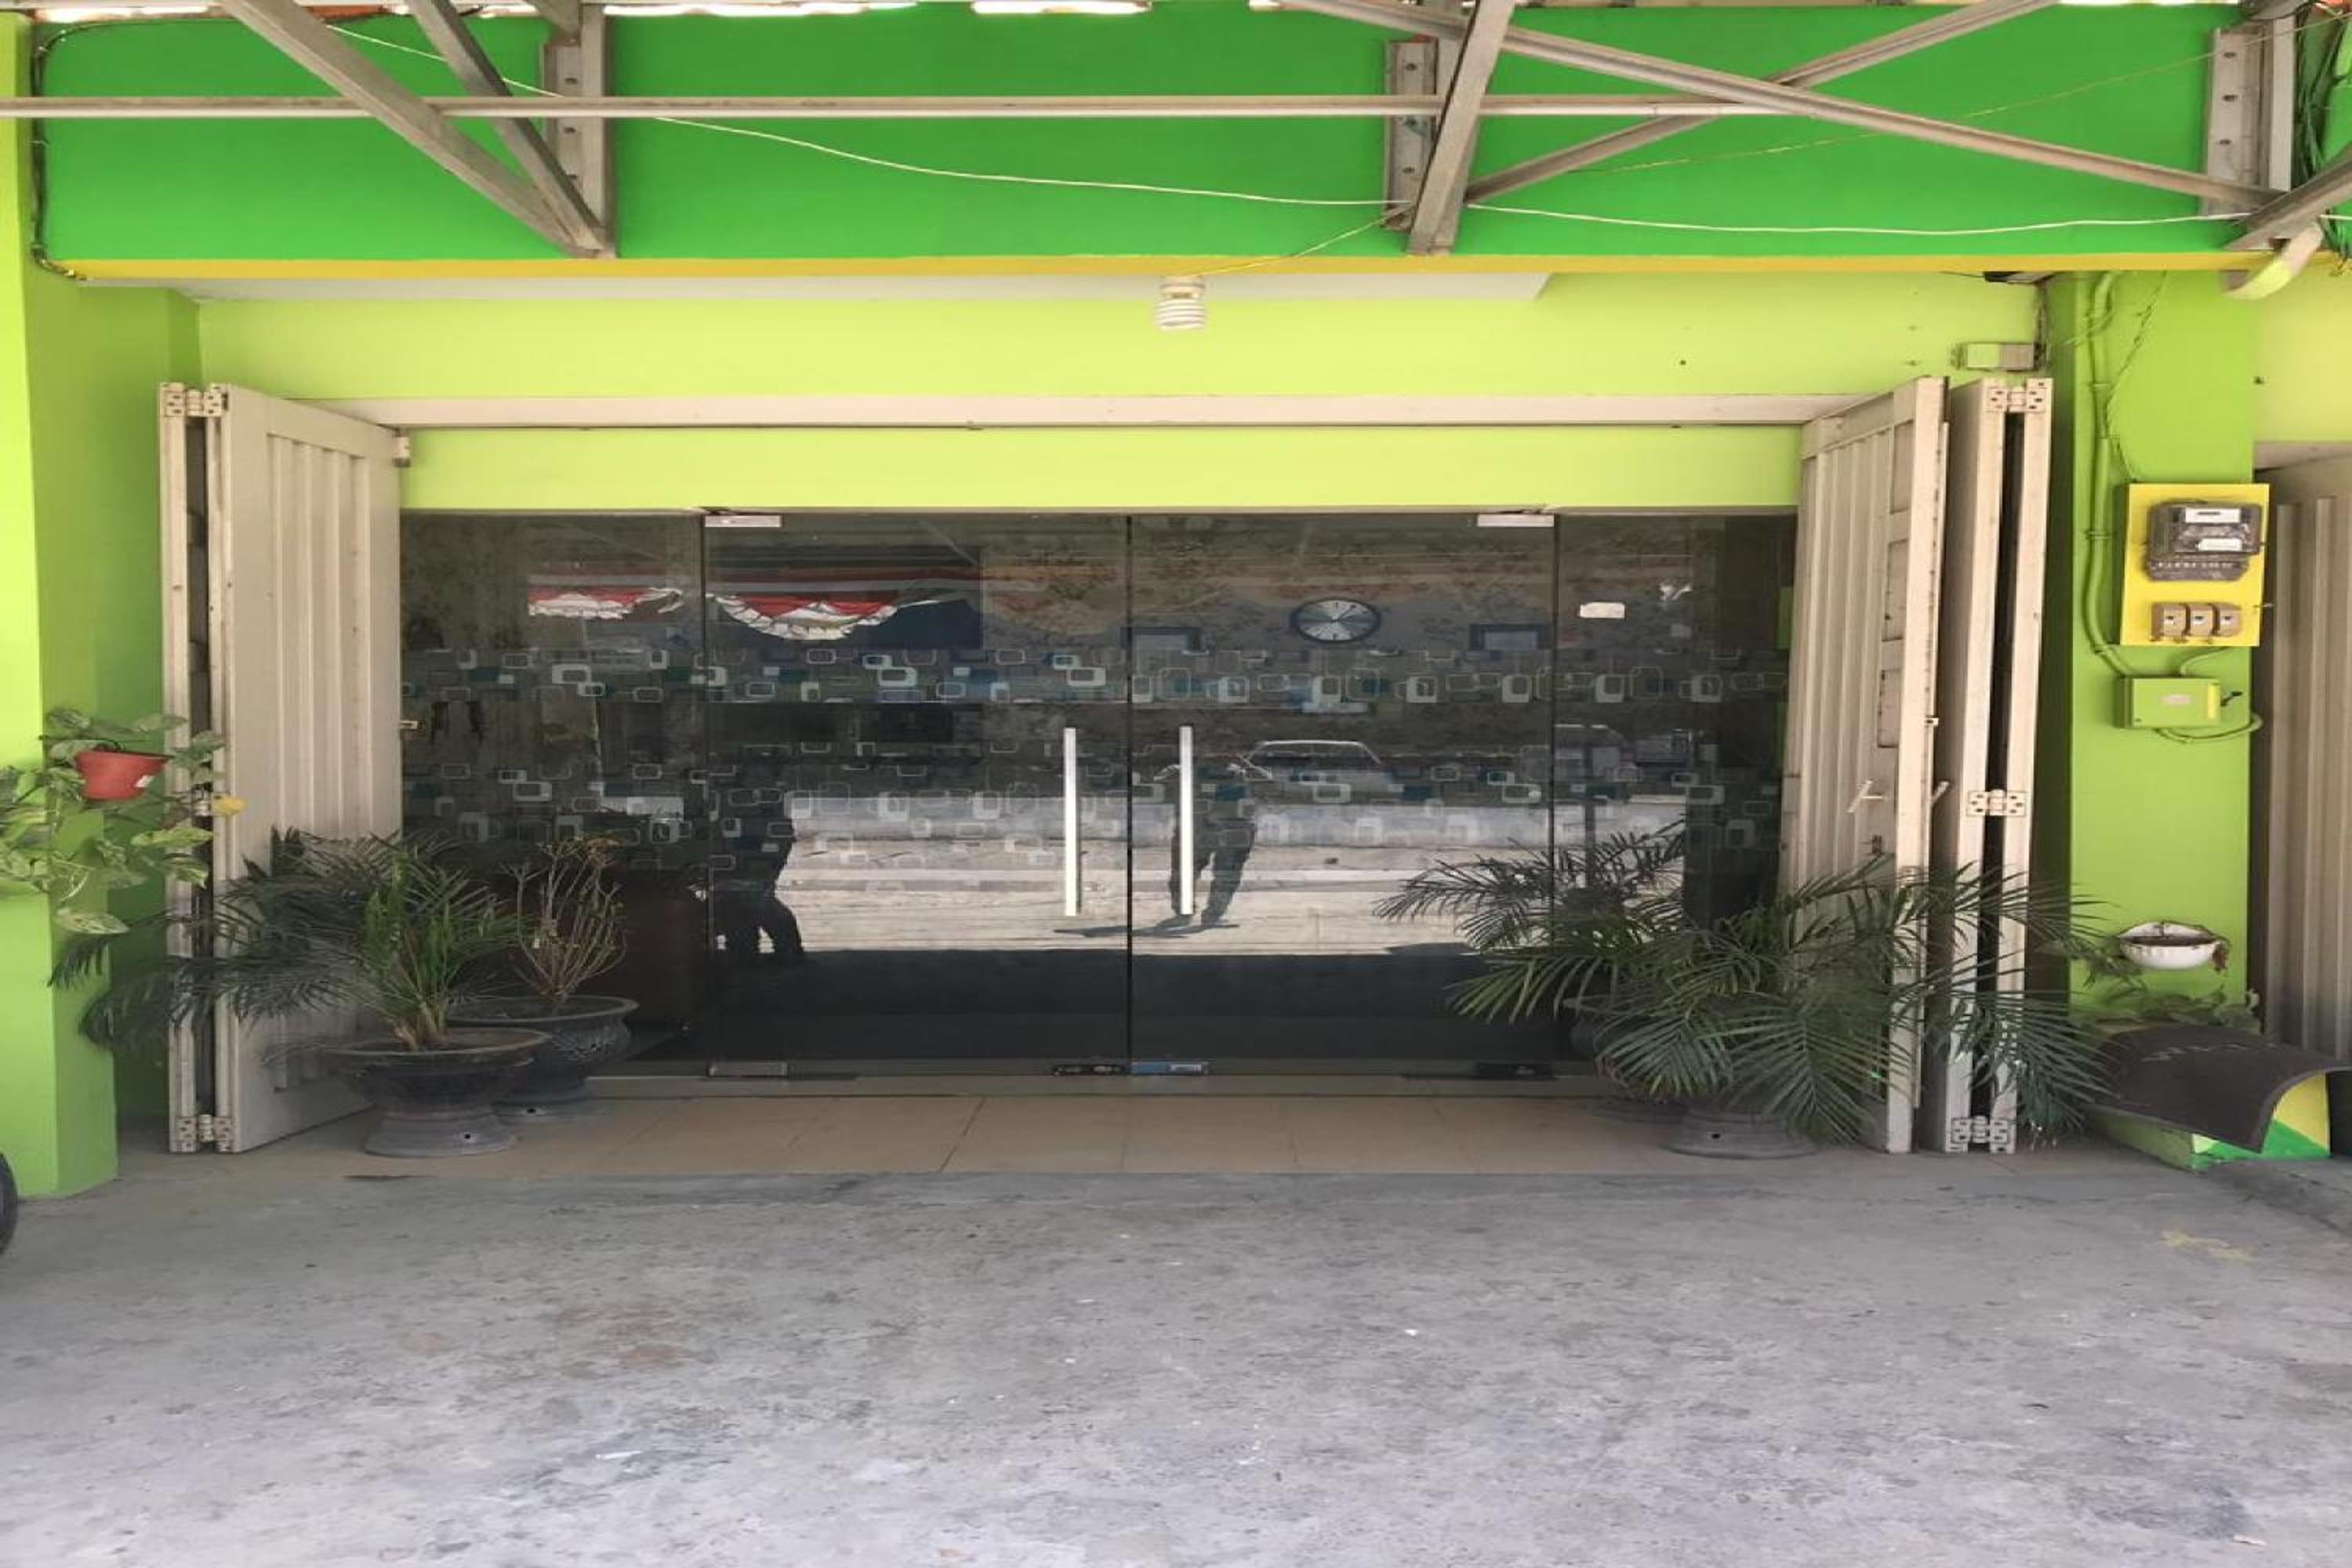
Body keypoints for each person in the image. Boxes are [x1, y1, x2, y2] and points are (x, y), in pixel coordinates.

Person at [1163, 753, 1270, 927]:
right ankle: (1185, 913)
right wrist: (1197, 765)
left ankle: (1213, 915)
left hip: (1233, 833)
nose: (1219, 756)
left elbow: (1268, 782)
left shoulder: (1243, 773)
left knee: (1227, 875)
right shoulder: (1184, 771)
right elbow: (1164, 779)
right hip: (1197, 832)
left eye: (1225, 751)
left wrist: (1244, 764)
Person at [713, 813, 809, 965]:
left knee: (752, 926)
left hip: (740, 887)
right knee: (768, 923)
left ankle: (748, 957)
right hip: (740, 888)